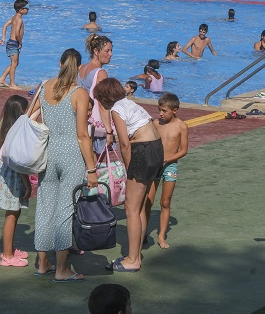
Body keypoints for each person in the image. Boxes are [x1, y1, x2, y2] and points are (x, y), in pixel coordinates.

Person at [33, 48, 99, 282]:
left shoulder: (44, 86)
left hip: (48, 154)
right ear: (79, 68)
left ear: (60, 63)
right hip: (71, 155)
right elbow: (82, 135)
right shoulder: (79, 93)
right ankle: (61, 269)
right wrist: (92, 169)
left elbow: (32, 116)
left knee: (44, 208)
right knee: (64, 211)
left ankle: (42, 264)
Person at [94, 78, 164, 273]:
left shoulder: (116, 109)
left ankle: (133, 260)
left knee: (131, 208)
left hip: (142, 151)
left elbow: (124, 144)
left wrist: (127, 169)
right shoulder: (130, 103)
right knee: (139, 205)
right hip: (157, 149)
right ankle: (136, 251)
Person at [145, 93, 188, 249]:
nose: (161, 114)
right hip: (155, 166)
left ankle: (161, 235)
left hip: (169, 166)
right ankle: (143, 231)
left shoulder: (181, 126)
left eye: (164, 111)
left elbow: (183, 150)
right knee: (148, 201)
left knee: (165, 201)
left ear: (175, 110)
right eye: (159, 110)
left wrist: (167, 160)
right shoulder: (155, 123)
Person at [0, 95, 32, 267]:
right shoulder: (16, 134)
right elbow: (18, 163)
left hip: (7, 177)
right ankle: (7, 255)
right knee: (11, 214)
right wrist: (27, 183)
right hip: (14, 178)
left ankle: (9, 248)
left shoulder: (7, 129)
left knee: (14, 213)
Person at [78, 34, 113, 154]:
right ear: (96, 51)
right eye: (107, 51)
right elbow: (103, 104)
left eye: (111, 50)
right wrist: (109, 131)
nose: (110, 54)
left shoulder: (81, 68)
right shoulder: (101, 73)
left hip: (80, 120)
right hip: (95, 125)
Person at [0, 0, 29, 89]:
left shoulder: (14, 17)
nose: (28, 10)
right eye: (27, 8)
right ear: (21, 10)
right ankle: (12, 83)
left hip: (10, 42)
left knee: (14, 63)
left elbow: (4, 26)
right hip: (14, 43)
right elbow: (17, 33)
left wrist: (3, 38)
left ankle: (2, 78)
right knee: (14, 64)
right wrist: (20, 42)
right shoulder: (19, 20)